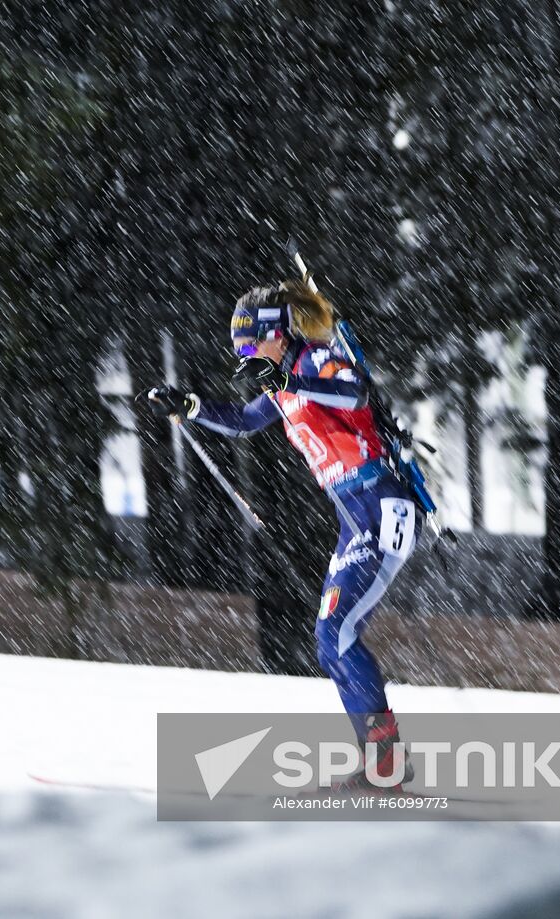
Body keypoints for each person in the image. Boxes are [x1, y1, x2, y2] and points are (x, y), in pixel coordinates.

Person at [145, 281, 422, 792]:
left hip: (383, 503)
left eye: (251, 346)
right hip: (355, 517)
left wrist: (286, 378)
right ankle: (380, 760)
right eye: (239, 351)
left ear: (276, 334)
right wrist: (190, 405)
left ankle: (386, 764)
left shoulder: (316, 361)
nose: (246, 356)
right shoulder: (286, 380)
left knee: (337, 634)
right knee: (328, 640)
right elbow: (247, 421)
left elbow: (355, 390)